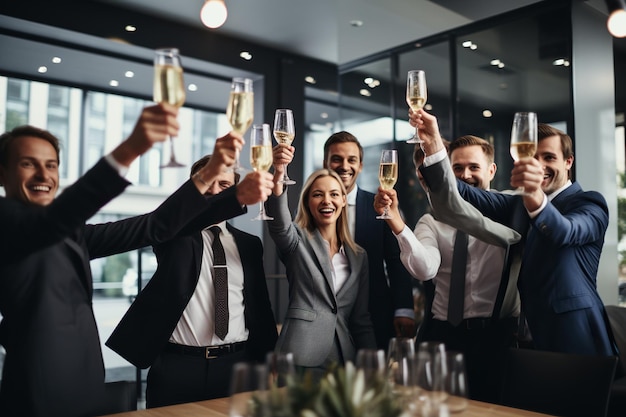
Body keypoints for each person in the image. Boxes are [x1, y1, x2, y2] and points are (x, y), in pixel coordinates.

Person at [0, 103, 273, 417]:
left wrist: (224, 184)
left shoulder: (73, 234)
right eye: (27, 163)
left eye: (51, 165)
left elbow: (152, 226)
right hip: (37, 390)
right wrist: (131, 148)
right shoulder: (7, 222)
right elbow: (52, 221)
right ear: (3, 172)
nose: (43, 174)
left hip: (84, 382)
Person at [413, 108, 617, 357]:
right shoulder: (518, 205)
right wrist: (434, 144)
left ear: (568, 161)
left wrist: (534, 197)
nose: (539, 165)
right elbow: (463, 192)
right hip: (526, 341)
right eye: (534, 157)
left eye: (549, 157)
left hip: (575, 336)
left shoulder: (590, 202)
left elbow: (565, 232)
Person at [106, 155, 278, 407]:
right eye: (207, 183)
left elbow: (260, 305)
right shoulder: (174, 234)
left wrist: (269, 357)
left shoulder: (249, 244)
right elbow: (165, 220)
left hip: (237, 363)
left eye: (224, 186)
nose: (214, 191)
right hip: (177, 367)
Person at [374, 136, 520, 402]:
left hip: (495, 338)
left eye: (474, 167)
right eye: (457, 168)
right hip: (442, 337)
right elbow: (425, 269)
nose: (465, 175)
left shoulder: (510, 209)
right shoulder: (431, 220)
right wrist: (397, 224)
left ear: (491, 170)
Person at [266, 143, 376, 377]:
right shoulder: (296, 240)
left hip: (344, 357)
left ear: (344, 201)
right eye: (318, 195)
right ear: (308, 202)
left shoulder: (359, 256)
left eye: (334, 194)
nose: (327, 201)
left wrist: (371, 365)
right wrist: (278, 172)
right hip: (300, 353)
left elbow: (361, 319)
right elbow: (278, 220)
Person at [323, 132, 416, 350]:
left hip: (374, 315)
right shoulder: (312, 207)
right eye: (337, 159)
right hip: (324, 319)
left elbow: (397, 260)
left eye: (351, 160)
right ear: (325, 163)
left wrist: (404, 308)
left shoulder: (380, 207)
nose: (344, 166)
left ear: (361, 165)